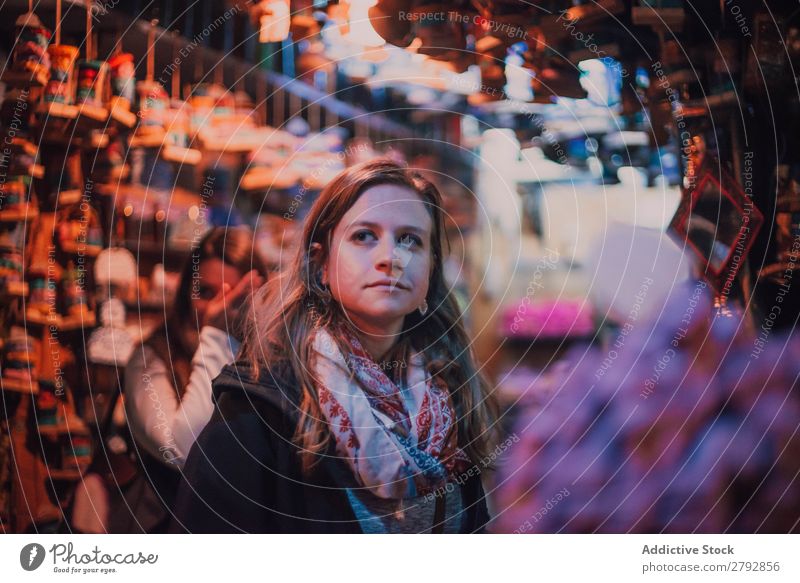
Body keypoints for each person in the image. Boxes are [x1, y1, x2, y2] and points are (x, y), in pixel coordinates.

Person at [172, 159, 499, 533]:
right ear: (321, 264)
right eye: (364, 236)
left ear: (430, 270)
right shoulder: (260, 408)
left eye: (410, 239)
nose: (390, 258)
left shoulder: (452, 401)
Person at [122, 226, 266, 532]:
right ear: (187, 290)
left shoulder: (264, 366)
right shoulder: (150, 359)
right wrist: (216, 336)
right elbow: (182, 451)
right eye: (205, 292)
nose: (218, 307)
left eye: (235, 296)